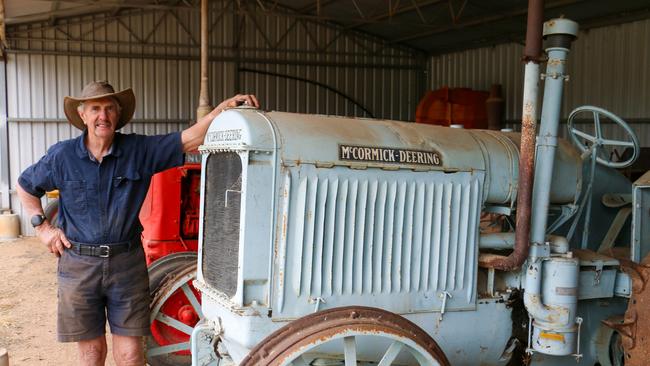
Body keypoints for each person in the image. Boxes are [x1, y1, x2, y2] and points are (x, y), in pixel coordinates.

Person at [16, 80, 259, 366]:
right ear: (82, 115)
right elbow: (25, 185)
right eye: (95, 109)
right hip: (78, 265)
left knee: (131, 356)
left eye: (109, 109)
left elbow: (190, 138)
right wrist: (43, 227)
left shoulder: (139, 150)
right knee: (91, 353)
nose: (102, 116)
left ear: (118, 115)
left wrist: (221, 109)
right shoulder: (62, 156)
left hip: (126, 264)